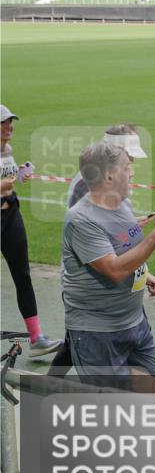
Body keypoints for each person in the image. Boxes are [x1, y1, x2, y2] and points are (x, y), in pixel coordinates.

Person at [62, 142, 155, 389]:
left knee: (153, 390)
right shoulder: (81, 219)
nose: (132, 173)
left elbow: (120, 241)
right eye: (127, 167)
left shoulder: (121, 204)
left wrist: (144, 273)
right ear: (109, 175)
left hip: (134, 322)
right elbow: (113, 269)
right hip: (97, 332)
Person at [50, 123, 150, 377]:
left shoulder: (104, 179)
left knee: (77, 343)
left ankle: (44, 388)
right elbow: (91, 234)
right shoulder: (90, 187)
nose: (133, 168)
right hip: (93, 282)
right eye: (130, 160)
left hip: (104, 276)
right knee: (84, 342)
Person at [1, 105, 62, 357]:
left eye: (10, 122)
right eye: (4, 123)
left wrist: (21, 173)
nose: (9, 127)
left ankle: (36, 338)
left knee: (23, 275)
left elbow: (9, 179)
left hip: (10, 214)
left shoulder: (8, 150)